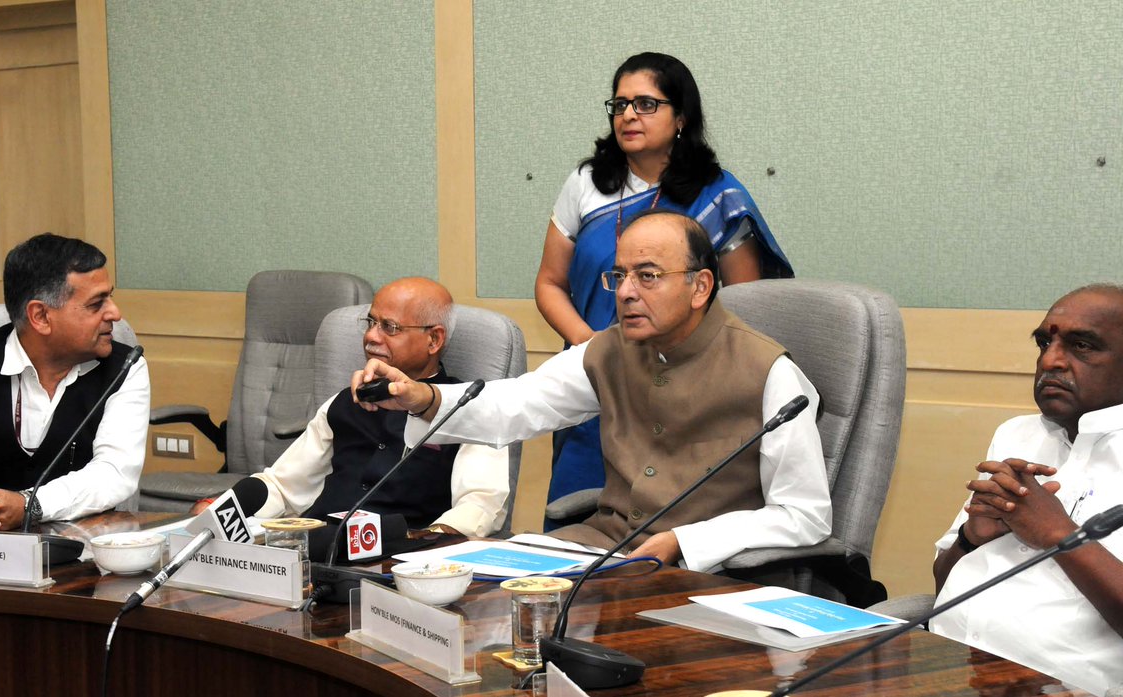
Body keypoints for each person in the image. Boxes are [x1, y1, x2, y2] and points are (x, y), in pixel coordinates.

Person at [356, 212, 829, 573]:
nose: (624, 292)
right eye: (619, 276)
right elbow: (516, 405)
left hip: (702, 574)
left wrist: (687, 542)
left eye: (647, 276)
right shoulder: (609, 350)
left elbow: (804, 515)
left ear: (700, 286)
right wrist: (423, 398)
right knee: (453, 582)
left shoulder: (770, 373)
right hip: (599, 552)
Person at [534, 52, 794, 529]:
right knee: (578, 539)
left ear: (681, 117)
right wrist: (591, 347)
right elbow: (550, 283)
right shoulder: (585, 184)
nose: (629, 115)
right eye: (620, 104)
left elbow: (745, 305)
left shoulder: (718, 195)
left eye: (647, 104)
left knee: (660, 535)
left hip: (684, 397)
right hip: (596, 379)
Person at [199, 277, 509, 538]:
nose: (372, 337)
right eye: (371, 322)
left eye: (390, 327)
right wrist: (218, 515)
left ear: (433, 340)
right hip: (318, 553)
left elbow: (480, 505)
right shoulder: (345, 400)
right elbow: (281, 486)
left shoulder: (467, 408)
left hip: (400, 566)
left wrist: (426, 543)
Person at [931, 284, 1123, 695]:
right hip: (951, 663)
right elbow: (942, 582)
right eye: (1044, 342)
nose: (1050, 361)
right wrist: (971, 538)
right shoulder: (1017, 435)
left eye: (1082, 346)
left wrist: (1060, 534)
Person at [0, 233, 150, 530]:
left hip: (76, 555)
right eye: (96, 304)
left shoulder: (125, 368)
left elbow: (113, 473)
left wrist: (31, 505)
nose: (115, 313)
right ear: (40, 316)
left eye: (110, 297)